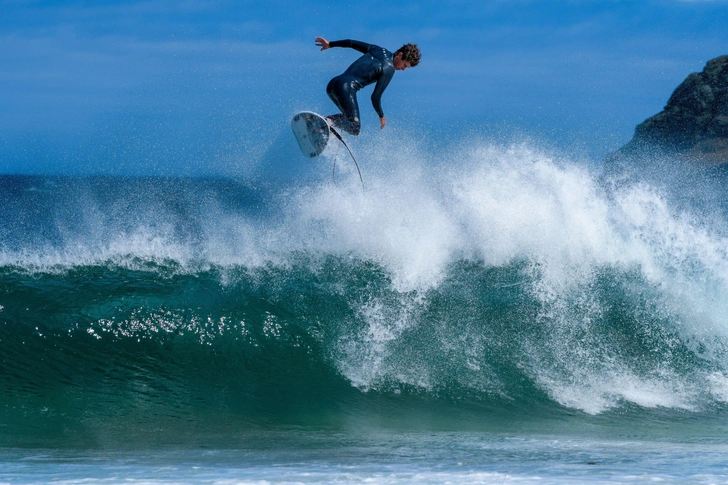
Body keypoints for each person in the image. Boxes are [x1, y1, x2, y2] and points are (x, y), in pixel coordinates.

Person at [315, 37, 420, 136]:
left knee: (347, 119)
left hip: (333, 84)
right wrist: (381, 115)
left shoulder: (378, 50)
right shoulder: (389, 69)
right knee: (354, 127)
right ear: (400, 55)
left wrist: (330, 44)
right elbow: (375, 97)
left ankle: (321, 126)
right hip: (346, 88)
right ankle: (324, 121)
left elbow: (351, 43)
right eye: (404, 65)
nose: (403, 69)